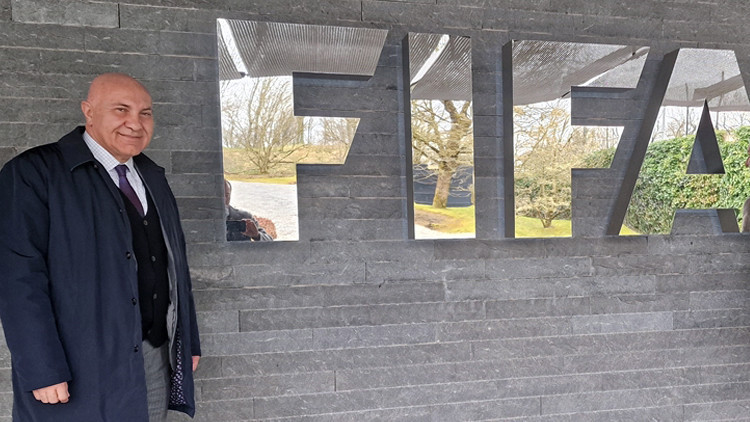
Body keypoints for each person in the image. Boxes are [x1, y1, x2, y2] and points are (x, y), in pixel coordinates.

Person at [0, 73, 201, 421]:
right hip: (75, 367)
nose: (135, 123)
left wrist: (187, 341)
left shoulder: (152, 176)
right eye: (121, 109)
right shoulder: (33, 173)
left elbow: (176, 267)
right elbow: (17, 278)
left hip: (152, 357)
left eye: (145, 113)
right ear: (88, 111)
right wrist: (42, 367)